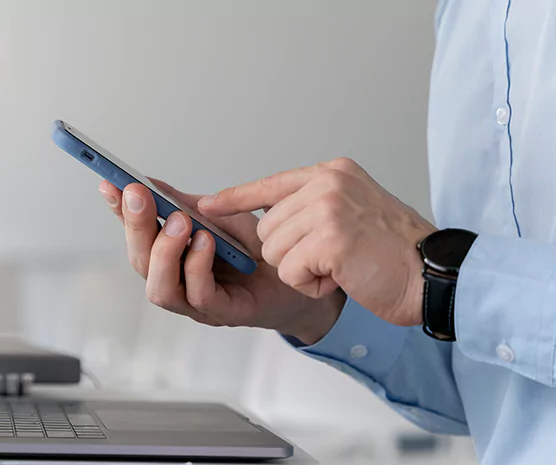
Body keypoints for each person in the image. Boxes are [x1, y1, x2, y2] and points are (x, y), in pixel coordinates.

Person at [96, 2, 556, 464]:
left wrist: (448, 279)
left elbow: (474, 299)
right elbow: (503, 395)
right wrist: (312, 306)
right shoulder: (466, 14)